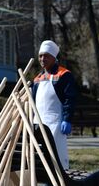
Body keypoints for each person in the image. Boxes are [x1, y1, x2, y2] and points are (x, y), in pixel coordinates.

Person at [32, 40, 77, 170]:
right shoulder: (37, 79)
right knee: (40, 156)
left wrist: (67, 119)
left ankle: (59, 180)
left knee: (57, 155)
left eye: (46, 55)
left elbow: (70, 98)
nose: (42, 59)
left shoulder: (64, 75)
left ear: (54, 57)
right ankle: (45, 178)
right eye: (40, 56)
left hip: (56, 124)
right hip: (38, 123)